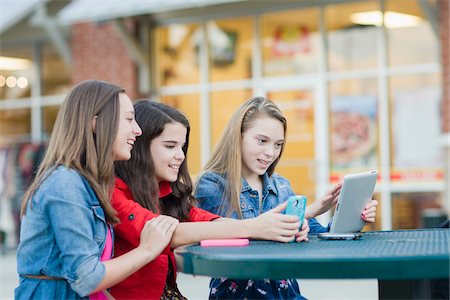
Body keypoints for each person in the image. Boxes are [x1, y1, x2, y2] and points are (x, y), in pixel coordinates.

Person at [111, 100, 309, 299]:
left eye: (182, 147)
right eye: (171, 146)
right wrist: (256, 227)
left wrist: (270, 225)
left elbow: (207, 220)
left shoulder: (167, 193)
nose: (180, 156)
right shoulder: (114, 193)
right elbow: (164, 233)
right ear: (140, 146)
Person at [193, 96, 378, 299]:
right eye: (262, 141)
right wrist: (294, 223)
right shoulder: (212, 184)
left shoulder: (281, 185)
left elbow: (322, 237)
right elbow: (226, 240)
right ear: (238, 137)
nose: (271, 153)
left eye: (278, 144)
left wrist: (352, 216)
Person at [15, 80, 179, 299]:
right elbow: (88, 278)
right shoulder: (66, 184)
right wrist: (147, 250)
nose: (137, 130)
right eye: (129, 119)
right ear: (96, 123)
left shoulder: (87, 184)